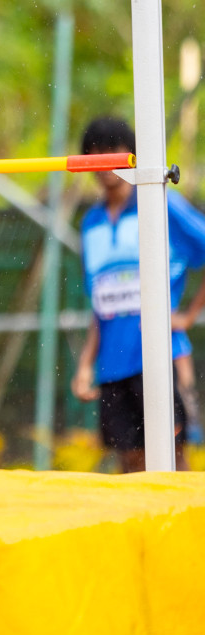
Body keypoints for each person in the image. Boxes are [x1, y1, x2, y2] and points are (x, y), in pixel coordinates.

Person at [71, 117, 204, 470]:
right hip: (112, 365)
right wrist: (85, 365)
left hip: (159, 357)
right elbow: (102, 304)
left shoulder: (163, 205)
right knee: (129, 464)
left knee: (173, 459)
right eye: (94, 153)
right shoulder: (91, 224)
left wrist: (188, 316)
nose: (103, 161)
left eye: (112, 149)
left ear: (130, 153)